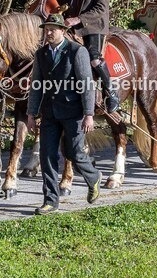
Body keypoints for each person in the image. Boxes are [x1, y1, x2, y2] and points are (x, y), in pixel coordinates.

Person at [25, 14, 102, 215]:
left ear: (62, 31)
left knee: (74, 153)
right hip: (49, 113)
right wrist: (31, 113)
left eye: (53, 29)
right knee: (47, 156)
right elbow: (36, 85)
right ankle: (50, 200)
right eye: (46, 29)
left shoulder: (77, 51)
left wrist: (89, 113)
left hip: (73, 112)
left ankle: (93, 176)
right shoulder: (40, 54)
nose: (48, 33)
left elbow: (86, 84)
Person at [55, 0, 119, 113]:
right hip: (68, 25)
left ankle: (111, 91)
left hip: (93, 25)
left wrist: (79, 19)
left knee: (94, 58)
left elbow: (101, 7)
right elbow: (58, 0)